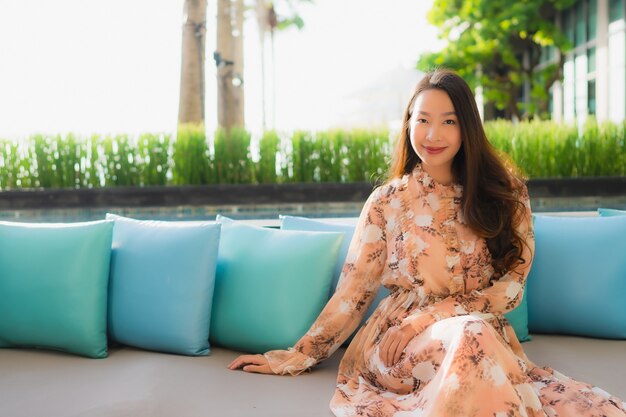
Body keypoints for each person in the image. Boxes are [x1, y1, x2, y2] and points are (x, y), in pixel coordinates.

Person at [228, 69, 626, 417]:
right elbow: (353, 293)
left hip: (479, 336)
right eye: (423, 120)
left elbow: (511, 287)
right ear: (408, 124)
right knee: (473, 340)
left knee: (472, 337)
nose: (433, 135)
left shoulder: (507, 193)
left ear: (467, 127)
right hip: (397, 345)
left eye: (449, 121)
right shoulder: (387, 201)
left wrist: (432, 316)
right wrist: (298, 355)